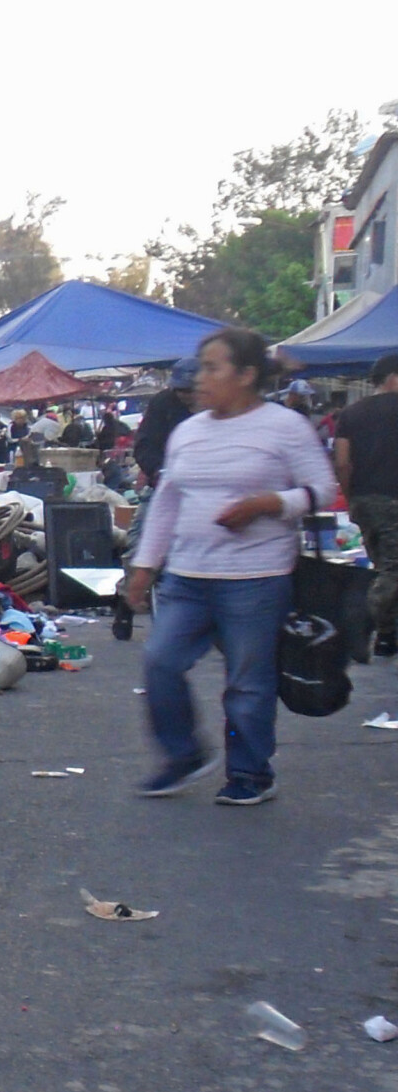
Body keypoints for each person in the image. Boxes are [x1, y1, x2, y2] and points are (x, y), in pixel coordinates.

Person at [124, 328, 338, 806]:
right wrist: (145, 565)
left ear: (246, 376)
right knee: (160, 662)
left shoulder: (284, 427)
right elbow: (168, 501)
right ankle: (183, 755)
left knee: (247, 683)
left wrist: (269, 503)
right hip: (187, 575)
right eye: (201, 367)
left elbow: (322, 489)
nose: (200, 378)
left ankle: (249, 772)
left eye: (212, 368)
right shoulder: (187, 431)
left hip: (256, 579)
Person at [332, 353, 398, 656]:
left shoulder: (350, 413)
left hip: (363, 500)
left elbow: (342, 462)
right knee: (392, 571)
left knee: (381, 566)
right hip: (393, 500)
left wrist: (351, 497)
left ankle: (387, 635)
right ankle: (361, 622)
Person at [132, 356, 198, 488]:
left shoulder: (218, 404)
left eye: (189, 390)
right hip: (166, 479)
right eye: (179, 389)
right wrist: (158, 471)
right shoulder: (162, 402)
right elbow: (144, 445)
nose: (183, 394)